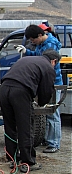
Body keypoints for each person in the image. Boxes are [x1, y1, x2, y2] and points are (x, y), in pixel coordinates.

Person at [0, 49, 60, 172]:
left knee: (10, 126)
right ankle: (28, 161)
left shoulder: (26, 59)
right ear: (54, 61)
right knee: (25, 127)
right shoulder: (48, 67)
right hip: (20, 92)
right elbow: (46, 90)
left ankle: (13, 159)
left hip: (4, 89)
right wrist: (42, 103)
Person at [17, 24, 63, 153]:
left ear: (39, 35)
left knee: (52, 113)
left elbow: (43, 62)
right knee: (45, 112)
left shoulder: (50, 45)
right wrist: (27, 52)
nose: (32, 42)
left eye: (33, 40)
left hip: (53, 82)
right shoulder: (41, 45)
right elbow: (38, 56)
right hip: (44, 82)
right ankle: (48, 139)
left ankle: (54, 142)